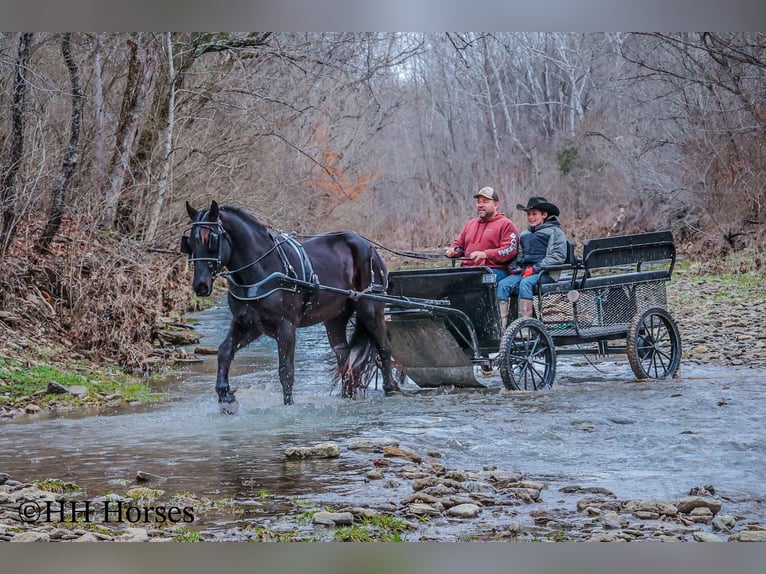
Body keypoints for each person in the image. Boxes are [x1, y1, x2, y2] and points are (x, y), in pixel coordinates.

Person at [497, 196, 568, 325]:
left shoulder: (555, 232)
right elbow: (518, 256)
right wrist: (513, 266)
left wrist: (535, 268)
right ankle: (501, 327)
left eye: (534, 214)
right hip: (525, 272)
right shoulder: (524, 234)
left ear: (544, 215)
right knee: (503, 285)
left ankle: (526, 325)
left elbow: (558, 256)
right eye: (529, 214)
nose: (531, 217)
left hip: (546, 273)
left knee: (526, 283)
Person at [445, 186, 519, 282]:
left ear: (496, 205)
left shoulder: (506, 224)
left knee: (474, 284)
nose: (480, 205)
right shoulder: (470, 224)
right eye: (478, 202)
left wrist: (486, 254)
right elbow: (458, 244)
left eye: (485, 202)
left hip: (493, 271)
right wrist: (453, 250)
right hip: (468, 270)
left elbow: (510, 250)